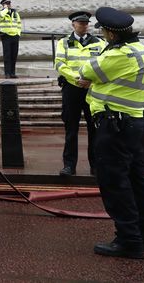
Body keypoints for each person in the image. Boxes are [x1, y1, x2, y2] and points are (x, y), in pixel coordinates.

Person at [78, 7, 144, 259]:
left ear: (111, 34)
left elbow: (85, 73)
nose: (101, 35)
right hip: (132, 123)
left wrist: (93, 79)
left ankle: (128, 241)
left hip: (114, 125)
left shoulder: (119, 54)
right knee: (138, 181)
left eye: (103, 32)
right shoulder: (140, 50)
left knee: (115, 182)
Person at [55, 11, 106, 177]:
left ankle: (96, 165)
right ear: (73, 24)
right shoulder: (63, 42)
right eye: (80, 23)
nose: (84, 25)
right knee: (71, 129)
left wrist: (91, 80)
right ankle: (69, 165)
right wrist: (78, 78)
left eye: (86, 23)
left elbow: (105, 64)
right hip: (72, 89)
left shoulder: (99, 42)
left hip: (93, 88)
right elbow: (60, 64)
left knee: (95, 129)